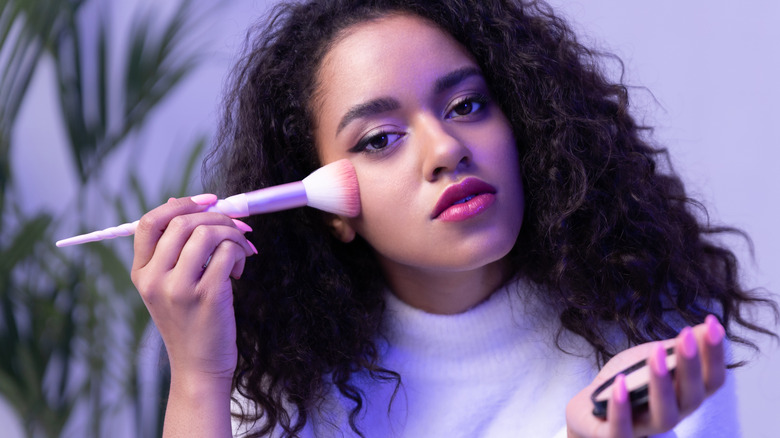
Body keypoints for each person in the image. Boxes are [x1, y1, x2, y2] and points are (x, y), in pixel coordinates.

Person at [129, 0, 777, 437]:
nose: (445, 150)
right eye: (380, 139)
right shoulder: (285, 381)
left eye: (466, 106)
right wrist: (200, 376)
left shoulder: (648, 344)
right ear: (330, 210)